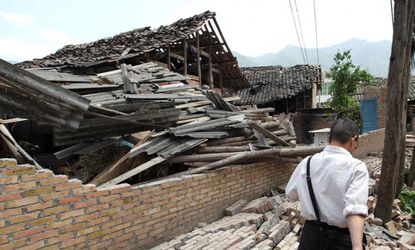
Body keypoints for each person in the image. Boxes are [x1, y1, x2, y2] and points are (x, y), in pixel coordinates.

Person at [285, 118, 368, 250]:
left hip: (311, 237)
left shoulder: (306, 162)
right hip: (340, 240)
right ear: (353, 140)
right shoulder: (357, 167)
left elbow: (290, 195)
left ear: (329, 138)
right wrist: (357, 247)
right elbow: (355, 209)